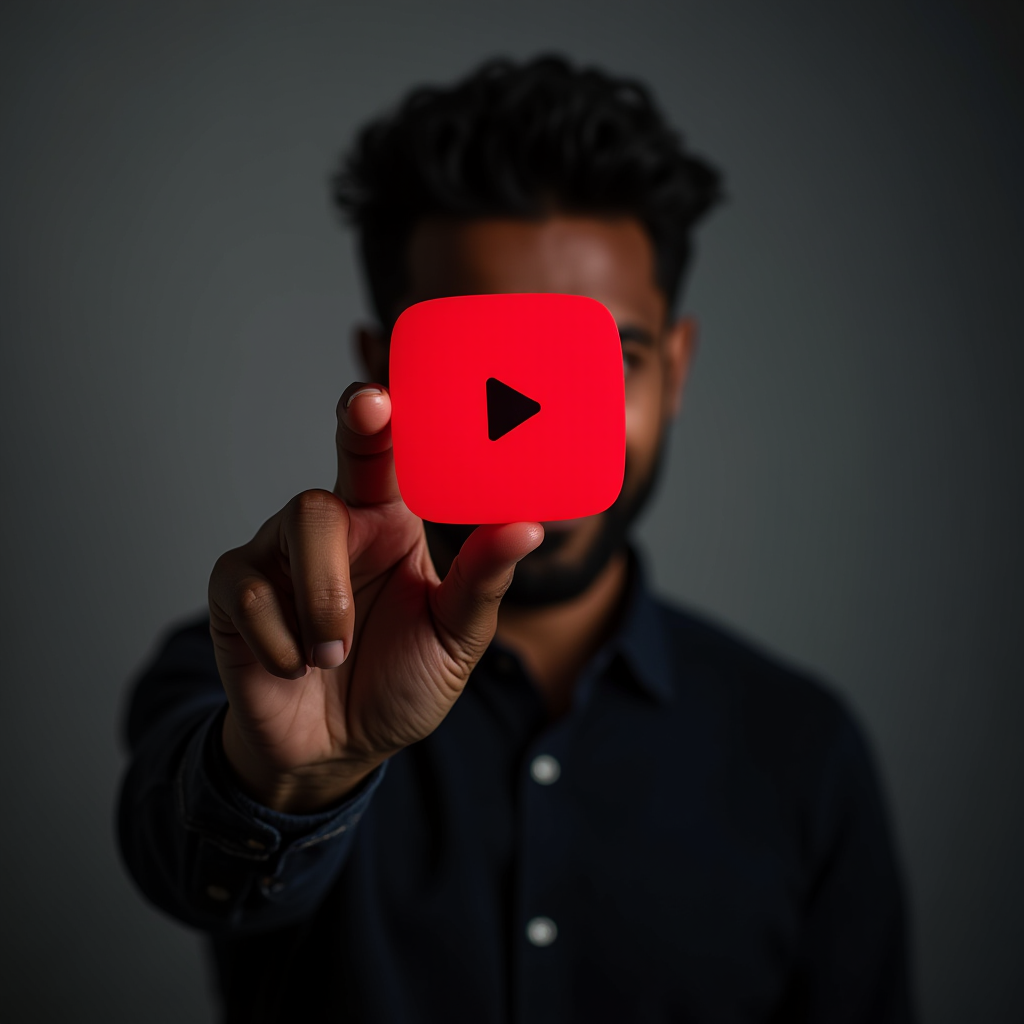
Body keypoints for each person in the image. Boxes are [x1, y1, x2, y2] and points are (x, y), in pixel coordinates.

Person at [117, 55, 915, 1023]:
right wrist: (296, 777)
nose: (541, 428)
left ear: (677, 365)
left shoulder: (804, 751)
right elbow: (187, 867)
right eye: (484, 360)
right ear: (385, 367)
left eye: (610, 358)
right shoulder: (252, 665)